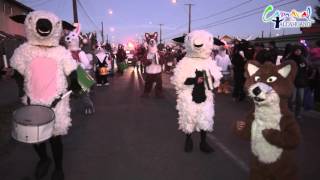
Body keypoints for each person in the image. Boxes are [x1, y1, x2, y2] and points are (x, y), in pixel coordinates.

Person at [287, 45, 308, 120]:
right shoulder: (290, 59)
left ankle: (298, 114)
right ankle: (290, 113)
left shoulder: (303, 59)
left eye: (299, 50)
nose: (298, 52)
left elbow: (305, 69)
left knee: (300, 100)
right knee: (292, 99)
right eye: (296, 50)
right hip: (292, 81)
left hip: (301, 82)